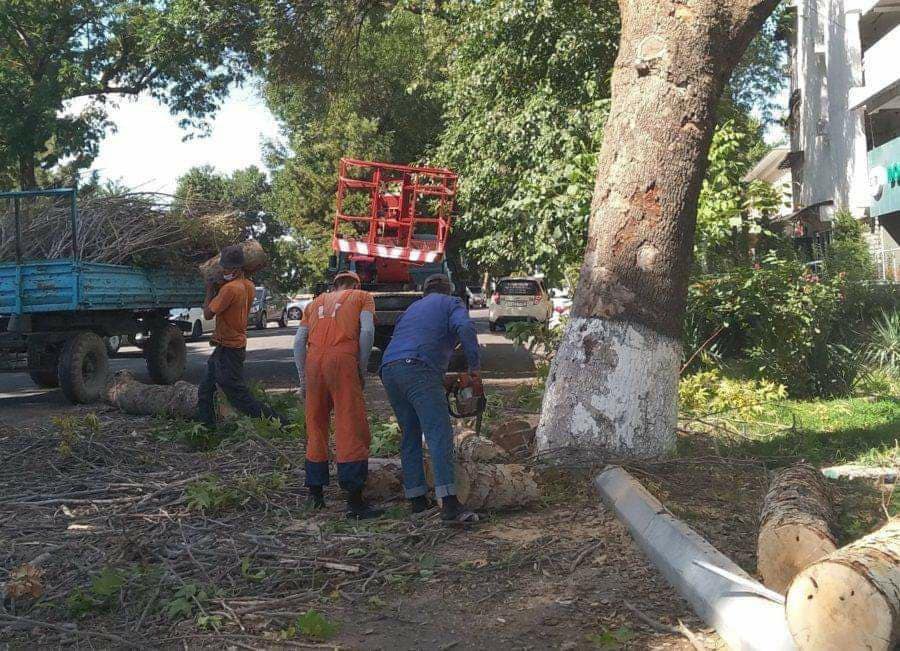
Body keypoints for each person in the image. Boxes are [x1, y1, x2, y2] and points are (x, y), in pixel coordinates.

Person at [380, 274, 481, 522]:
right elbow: (466, 328)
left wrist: (439, 377)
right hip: (417, 367)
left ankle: (416, 500)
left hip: (389, 369)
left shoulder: (412, 308)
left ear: (424, 291)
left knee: (410, 434)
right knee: (439, 433)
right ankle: (449, 504)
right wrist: (474, 370)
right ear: (449, 290)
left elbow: (415, 343)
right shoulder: (451, 303)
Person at [293, 271, 381, 519]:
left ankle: (316, 494)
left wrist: (303, 380)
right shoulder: (363, 297)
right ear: (356, 283)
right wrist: (361, 368)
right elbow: (366, 333)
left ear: (335, 285)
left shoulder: (314, 303)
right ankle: (354, 501)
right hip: (342, 361)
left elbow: (299, 343)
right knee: (349, 424)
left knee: (315, 425)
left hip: (313, 362)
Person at [196, 245, 288, 429]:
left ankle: (280, 422)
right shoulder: (248, 285)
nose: (223, 270)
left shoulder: (230, 289)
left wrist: (209, 289)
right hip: (228, 346)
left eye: (227, 268)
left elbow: (207, 314)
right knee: (206, 389)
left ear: (237, 269)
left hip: (229, 348)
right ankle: (206, 427)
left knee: (238, 396)